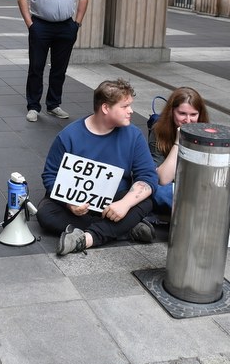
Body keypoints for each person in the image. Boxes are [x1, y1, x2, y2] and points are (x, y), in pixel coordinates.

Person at [36, 79, 159, 255]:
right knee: (45, 213)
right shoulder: (69, 135)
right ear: (106, 108)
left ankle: (88, 238)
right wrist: (70, 204)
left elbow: (148, 176)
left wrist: (124, 204)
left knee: (146, 199)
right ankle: (124, 229)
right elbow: (50, 176)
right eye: (125, 106)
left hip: (115, 201)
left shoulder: (134, 135)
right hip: (78, 202)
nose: (131, 111)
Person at [17, 0, 88, 122]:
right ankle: (33, 106)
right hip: (40, 25)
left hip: (66, 26)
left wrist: (77, 23)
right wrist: (30, 24)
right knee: (36, 67)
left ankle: (54, 105)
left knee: (59, 68)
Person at [132, 87, 210, 242]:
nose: (188, 120)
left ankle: (184, 216)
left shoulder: (207, 132)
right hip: (170, 188)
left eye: (193, 115)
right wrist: (178, 142)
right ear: (172, 112)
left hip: (192, 186)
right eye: (182, 114)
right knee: (155, 190)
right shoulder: (159, 129)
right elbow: (162, 179)